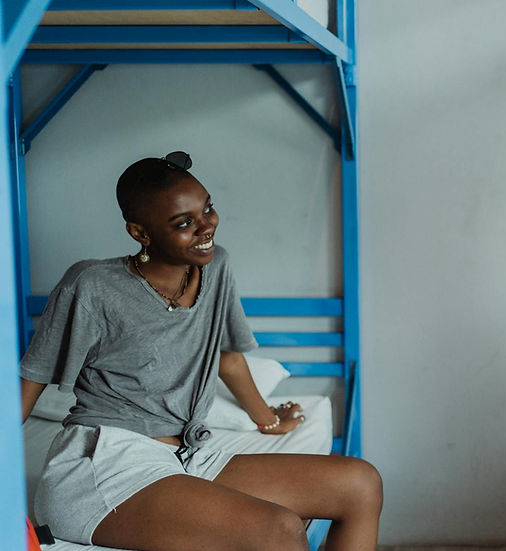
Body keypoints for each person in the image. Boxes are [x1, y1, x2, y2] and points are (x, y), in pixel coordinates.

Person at [20, 152, 382, 551]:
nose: (206, 226)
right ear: (140, 232)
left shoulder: (216, 266)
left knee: (360, 483)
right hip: (108, 461)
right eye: (184, 223)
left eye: (207, 208)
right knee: (279, 529)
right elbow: (31, 381)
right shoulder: (90, 284)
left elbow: (226, 356)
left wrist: (267, 420)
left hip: (188, 454)